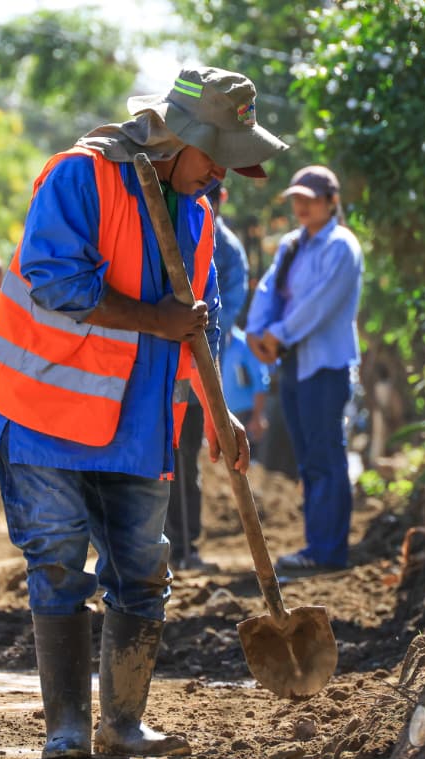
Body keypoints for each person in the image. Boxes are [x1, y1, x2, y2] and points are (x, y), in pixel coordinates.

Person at [0, 67, 285, 759]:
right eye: (218, 157)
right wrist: (155, 319)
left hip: (137, 427)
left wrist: (219, 414)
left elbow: (204, 326)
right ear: (184, 139)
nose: (222, 176)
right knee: (56, 562)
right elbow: (55, 280)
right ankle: (68, 728)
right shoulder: (81, 177)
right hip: (45, 412)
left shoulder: (197, 215)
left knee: (142, 570)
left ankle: (124, 724)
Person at [245, 166, 362, 573]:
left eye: (310, 198)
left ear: (332, 201)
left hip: (326, 366)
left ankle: (329, 551)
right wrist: (257, 333)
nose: (301, 206)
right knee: (309, 459)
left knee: (326, 456)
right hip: (294, 363)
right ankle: (318, 546)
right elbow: (268, 289)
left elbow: (318, 303)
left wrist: (276, 334)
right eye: (297, 198)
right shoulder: (293, 244)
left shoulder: (341, 246)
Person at [164, 182, 250, 572]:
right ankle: (166, 546)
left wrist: (194, 343)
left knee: (185, 456)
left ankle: (186, 545)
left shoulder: (226, 249)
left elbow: (221, 315)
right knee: (163, 452)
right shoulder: (176, 226)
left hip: (199, 366)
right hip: (168, 362)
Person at [222, 325, 271, 447]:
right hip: (225, 415)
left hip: (247, 416)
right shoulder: (217, 345)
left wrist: (257, 416)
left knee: (247, 460)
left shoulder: (246, 344)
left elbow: (260, 382)